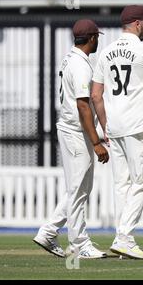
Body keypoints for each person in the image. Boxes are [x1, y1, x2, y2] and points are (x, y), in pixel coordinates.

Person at [91, 5, 143, 259]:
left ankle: (124, 241)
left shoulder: (106, 52)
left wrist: (104, 127)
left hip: (114, 126)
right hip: (138, 125)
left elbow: (95, 95)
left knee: (122, 184)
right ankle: (123, 236)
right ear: (137, 24)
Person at [33, 19, 109, 259]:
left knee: (80, 188)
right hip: (77, 132)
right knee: (78, 189)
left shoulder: (71, 58)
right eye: (97, 37)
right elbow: (83, 106)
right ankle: (78, 243)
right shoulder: (81, 66)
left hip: (73, 130)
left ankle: (48, 232)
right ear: (92, 39)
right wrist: (96, 141)